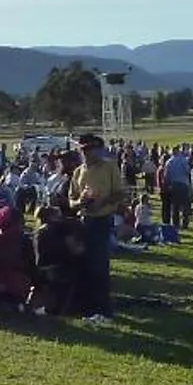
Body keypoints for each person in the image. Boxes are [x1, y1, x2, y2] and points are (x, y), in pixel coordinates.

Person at [67, 132, 127, 323]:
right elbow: (71, 201)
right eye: (82, 150)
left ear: (96, 149)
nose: (86, 153)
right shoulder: (78, 172)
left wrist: (103, 202)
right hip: (84, 220)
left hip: (101, 220)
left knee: (99, 266)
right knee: (84, 265)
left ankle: (104, 310)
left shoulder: (109, 167)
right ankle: (88, 307)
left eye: (89, 149)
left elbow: (119, 194)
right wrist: (80, 202)